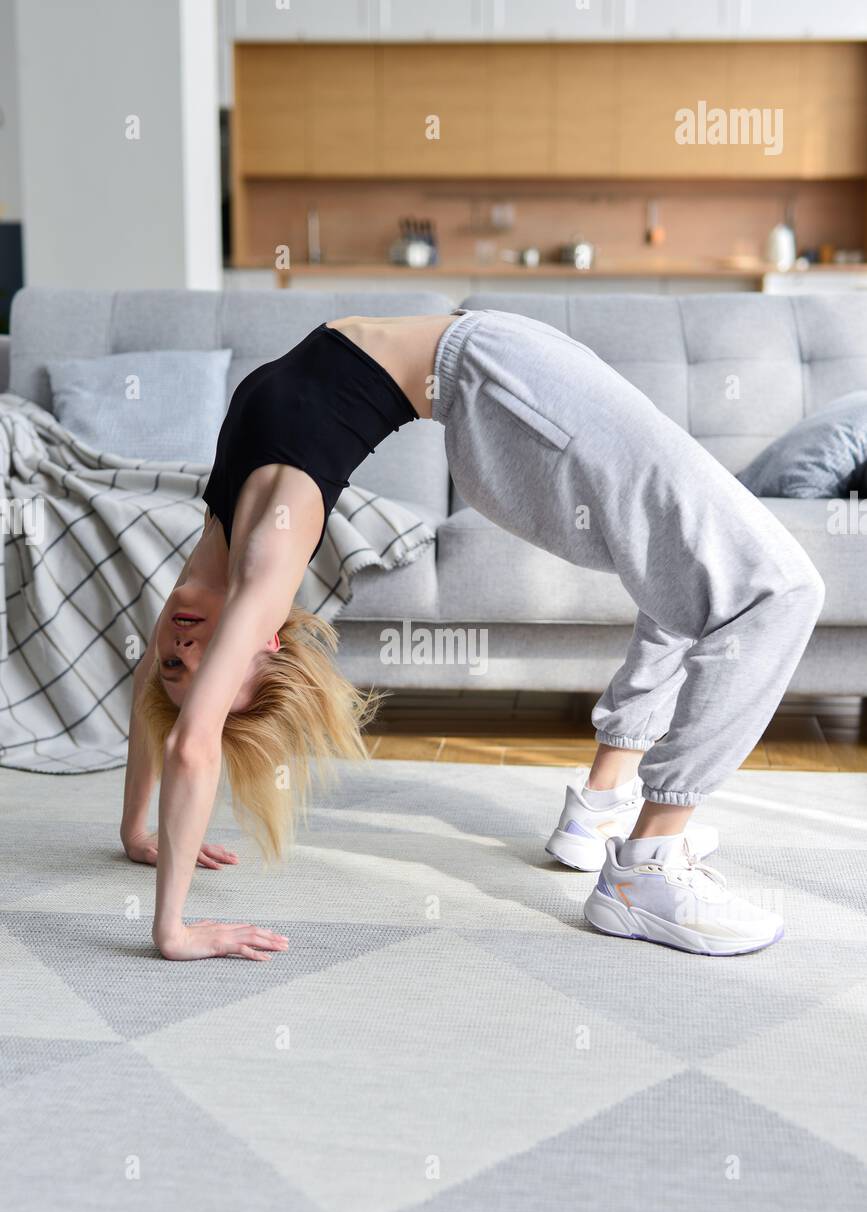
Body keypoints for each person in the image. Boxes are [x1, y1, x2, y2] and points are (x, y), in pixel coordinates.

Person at [124, 309, 824, 961]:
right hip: (497, 393)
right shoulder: (261, 565)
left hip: (497, 369)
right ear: (264, 643)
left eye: (171, 665)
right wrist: (173, 929)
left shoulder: (208, 561)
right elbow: (193, 744)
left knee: (679, 568)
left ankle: (602, 809)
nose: (179, 651)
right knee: (778, 589)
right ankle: (647, 870)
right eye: (201, 667)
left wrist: (136, 831)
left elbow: (153, 706)